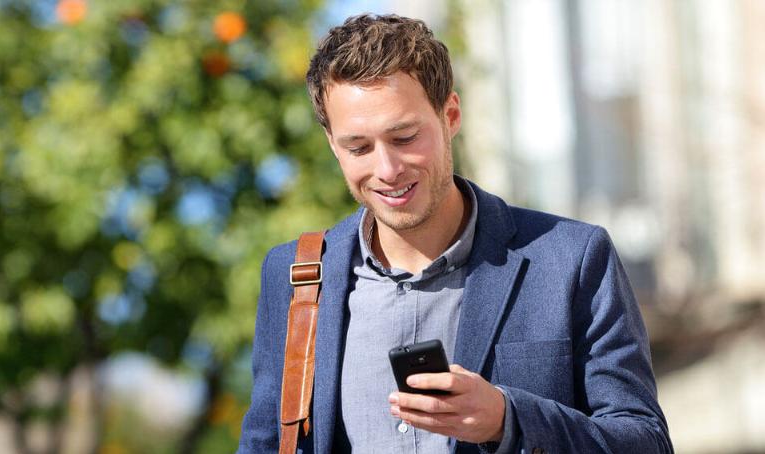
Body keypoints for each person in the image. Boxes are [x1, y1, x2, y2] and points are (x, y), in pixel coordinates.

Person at [237, 13, 672, 454]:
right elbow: (264, 443)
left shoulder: (572, 259)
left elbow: (645, 442)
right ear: (333, 143)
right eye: (358, 147)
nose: (387, 170)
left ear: (451, 115)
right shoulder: (297, 274)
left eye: (405, 136)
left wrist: (508, 420)